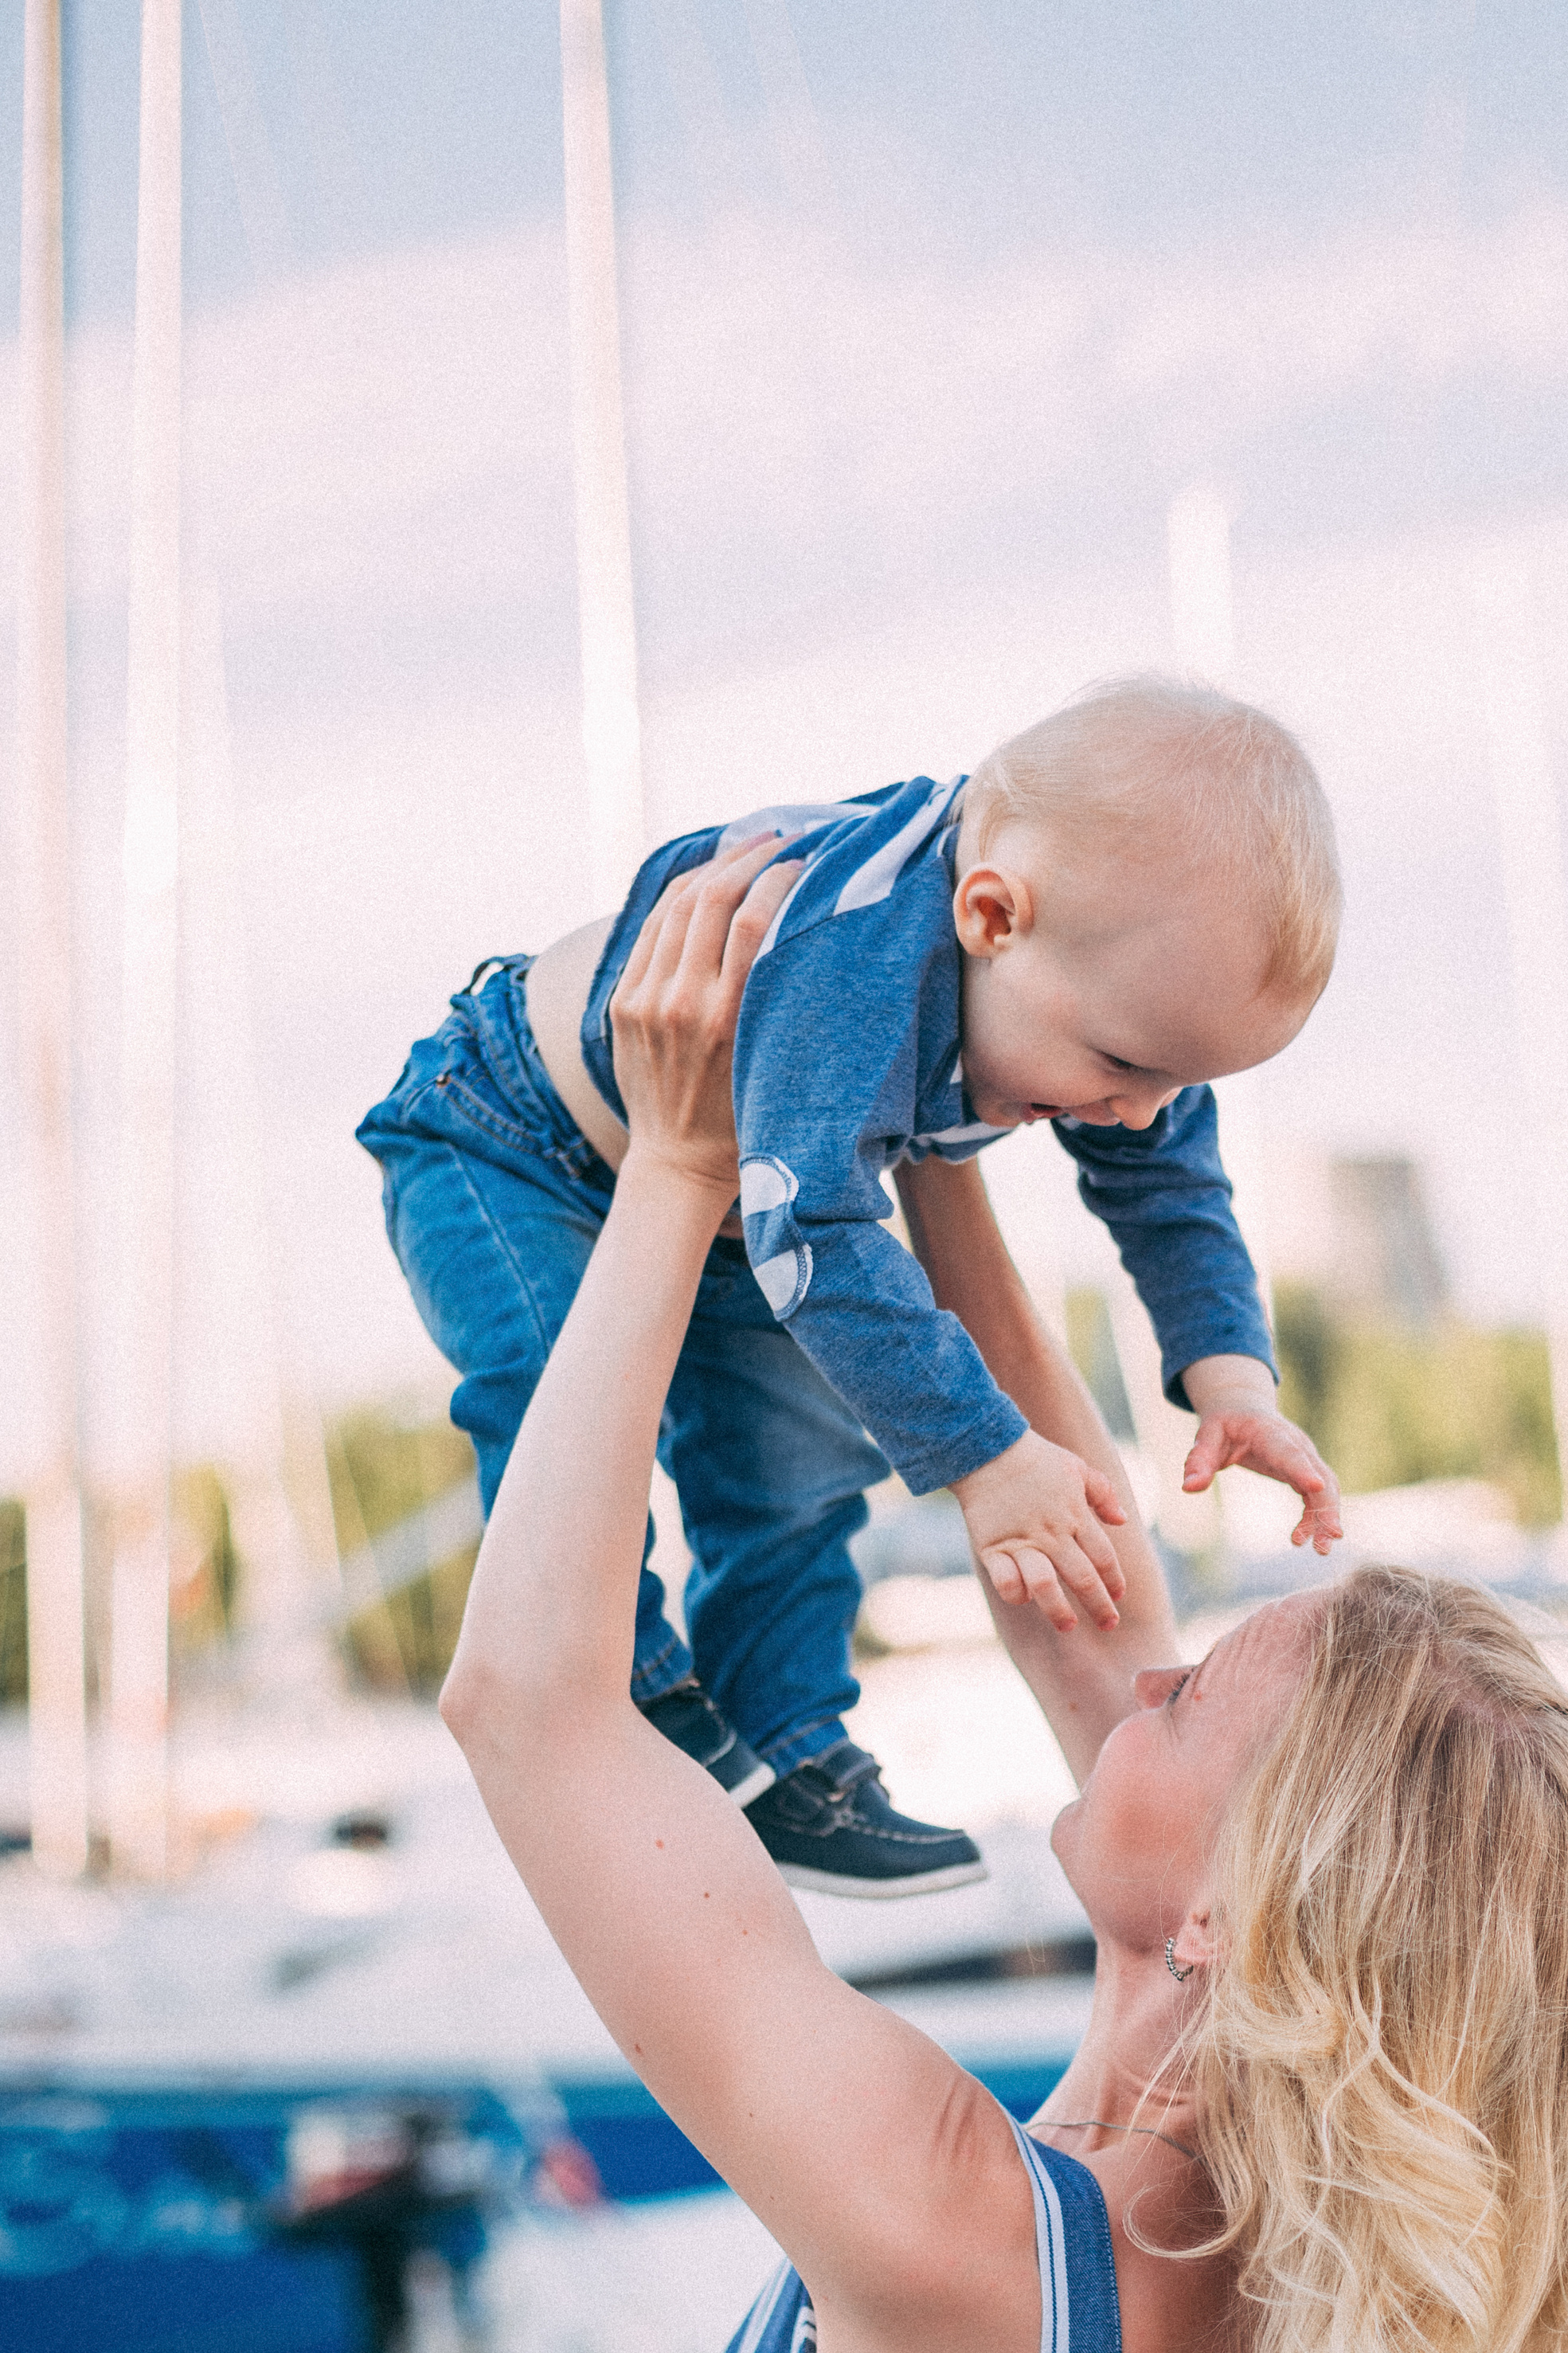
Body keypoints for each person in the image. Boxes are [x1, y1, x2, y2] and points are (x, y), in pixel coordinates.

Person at [438, 844, 1568, 2353]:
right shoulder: (1317, 2251)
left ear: (1236, 1918)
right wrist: (921, 1109)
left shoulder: (963, 2243)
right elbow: (1073, 1560)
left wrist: (688, 1176)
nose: (1142, 1661)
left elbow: (533, 1706)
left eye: (1189, 1699)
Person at [360, 677, 1344, 1900]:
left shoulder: (1116, 1003)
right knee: (553, 1395)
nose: (1138, 1112)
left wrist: (1232, 1380)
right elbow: (820, 1230)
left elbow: (1171, 1187)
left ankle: (790, 1742)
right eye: (1123, 1069)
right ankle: (629, 1691)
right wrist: (987, 1459)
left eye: (1176, 1083)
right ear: (991, 915)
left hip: (747, 1198)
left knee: (799, 1457)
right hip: (507, 1134)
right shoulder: (856, 962)